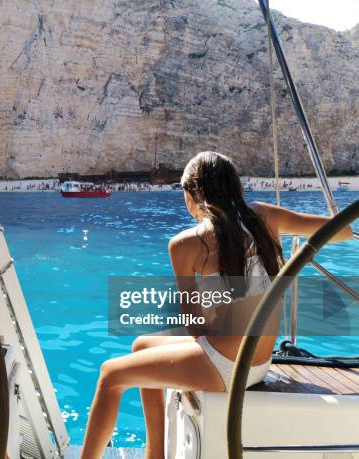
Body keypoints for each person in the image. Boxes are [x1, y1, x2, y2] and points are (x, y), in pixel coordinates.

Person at [80, 151, 353, 459]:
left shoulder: (186, 244)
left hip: (226, 369)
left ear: (191, 193)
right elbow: (342, 230)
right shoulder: (265, 216)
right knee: (142, 345)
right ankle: (154, 453)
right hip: (259, 363)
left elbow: (197, 328)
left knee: (110, 375)